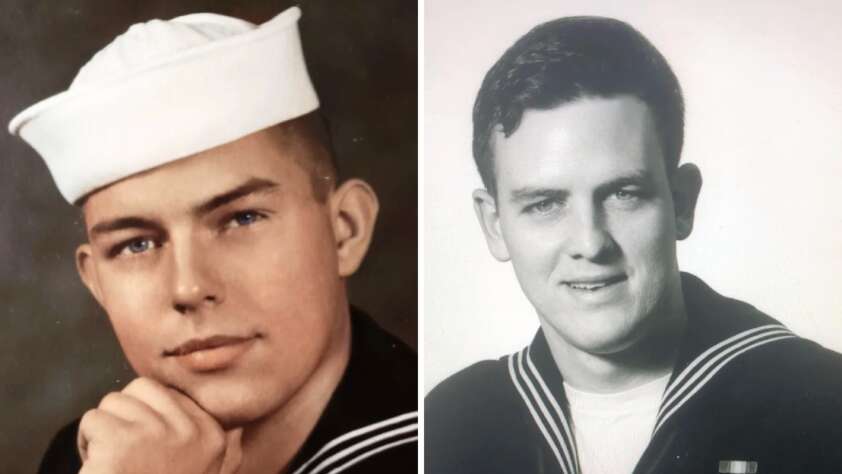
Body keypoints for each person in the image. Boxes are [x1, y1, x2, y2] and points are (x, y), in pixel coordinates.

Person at [425, 16, 842, 474]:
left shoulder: (822, 403)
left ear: (682, 202)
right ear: (494, 225)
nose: (589, 242)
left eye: (624, 194)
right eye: (545, 204)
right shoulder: (449, 428)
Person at [9, 7, 416, 474]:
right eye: (136, 244)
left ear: (346, 229)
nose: (188, 288)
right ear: (97, 281)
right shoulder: (97, 459)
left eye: (241, 219)